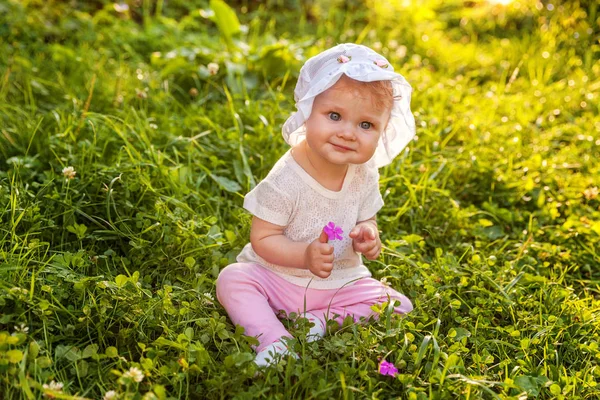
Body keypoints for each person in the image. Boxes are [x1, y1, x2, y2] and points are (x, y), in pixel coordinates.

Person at [216, 43, 416, 367]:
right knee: (233, 279)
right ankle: (273, 339)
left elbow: (369, 218)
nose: (348, 133)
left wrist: (368, 234)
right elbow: (262, 238)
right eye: (334, 116)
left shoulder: (364, 173)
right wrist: (304, 255)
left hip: (340, 284)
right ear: (307, 112)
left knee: (397, 304)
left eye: (366, 125)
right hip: (276, 279)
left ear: (383, 130)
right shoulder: (286, 178)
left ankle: (322, 320)